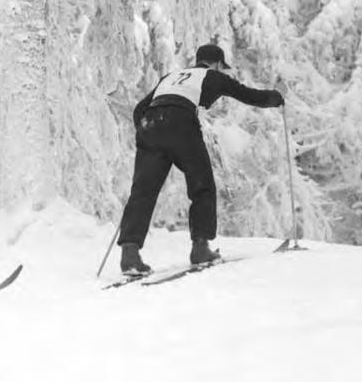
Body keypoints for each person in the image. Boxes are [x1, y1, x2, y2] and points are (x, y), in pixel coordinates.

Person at [116, 44, 284, 275]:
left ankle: (130, 254)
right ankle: (200, 248)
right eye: (221, 66)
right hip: (181, 123)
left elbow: (139, 109)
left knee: (143, 191)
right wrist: (277, 97)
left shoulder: (171, 76)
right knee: (201, 185)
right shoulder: (212, 76)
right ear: (216, 64)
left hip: (151, 124)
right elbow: (249, 95)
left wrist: (147, 132)